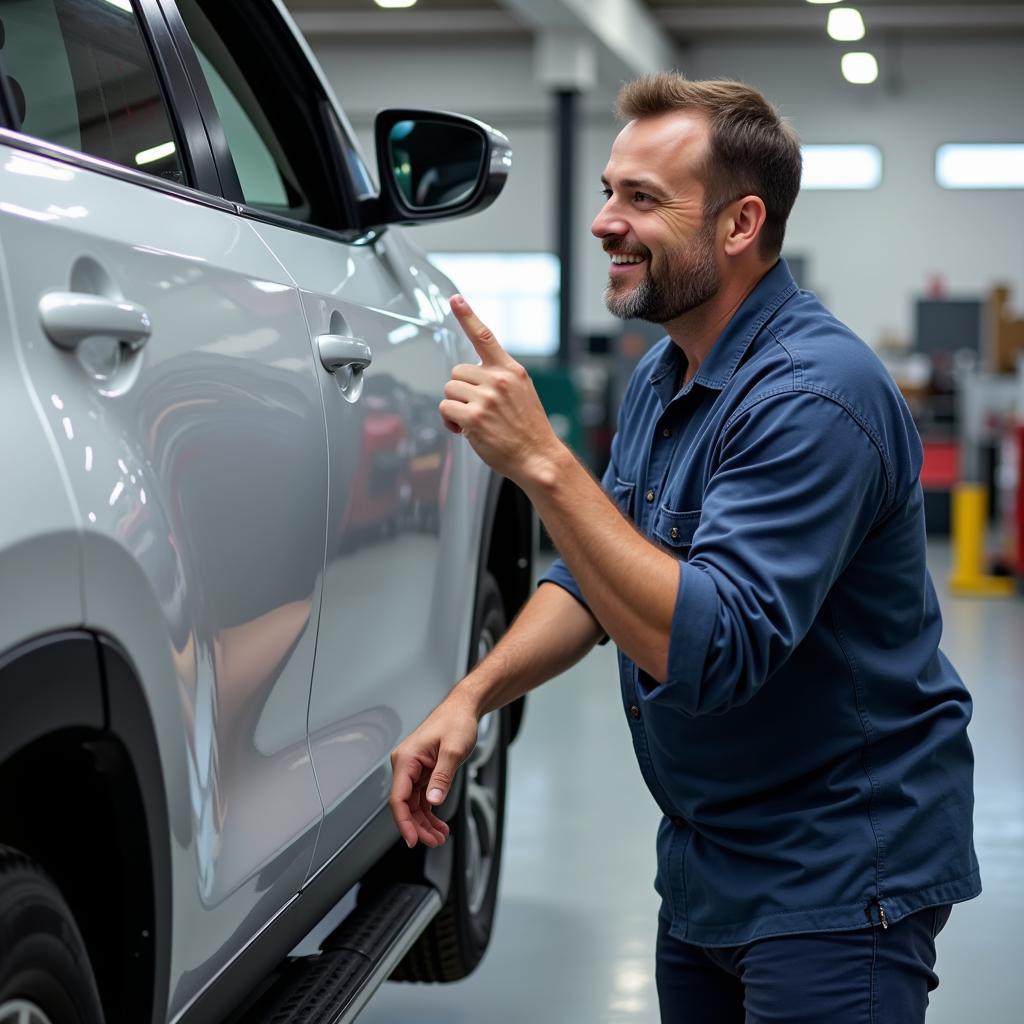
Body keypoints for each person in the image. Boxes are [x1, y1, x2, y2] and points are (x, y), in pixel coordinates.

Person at [388, 72, 980, 1023]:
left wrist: (544, 462)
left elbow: (710, 648)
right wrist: (472, 695)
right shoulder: (671, 371)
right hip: (711, 856)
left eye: (642, 199)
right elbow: (594, 572)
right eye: (607, 191)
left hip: (835, 864)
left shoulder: (815, 397)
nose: (604, 223)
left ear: (741, 225)